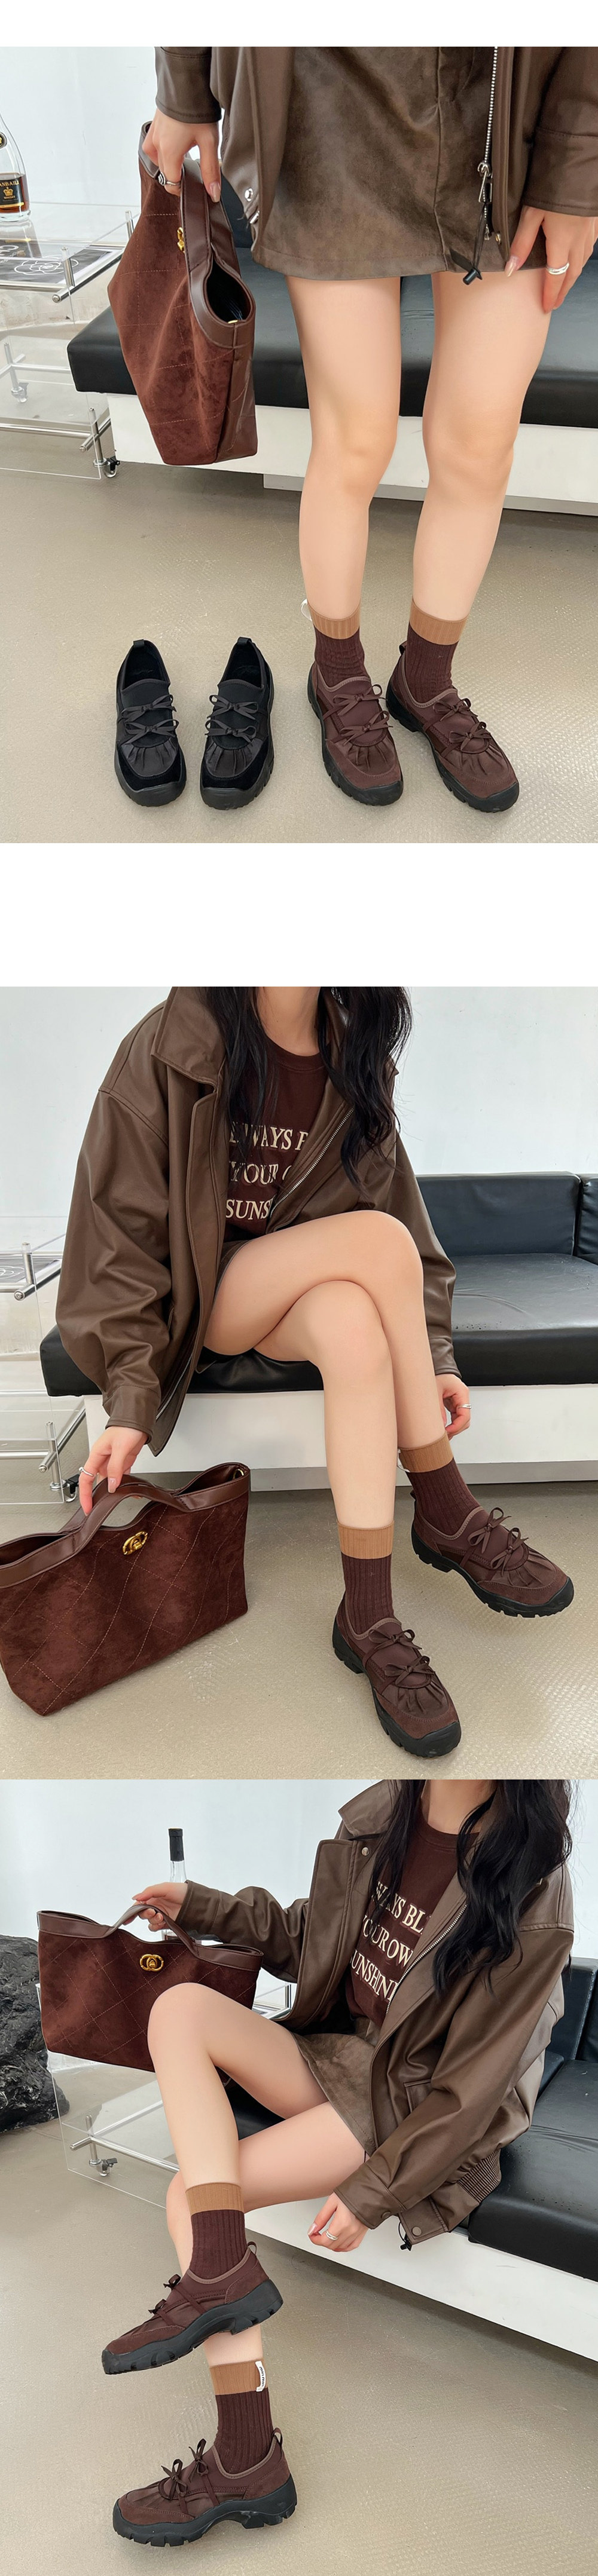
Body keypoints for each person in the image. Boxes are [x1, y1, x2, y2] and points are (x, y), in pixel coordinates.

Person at [58, 987, 573, 1756]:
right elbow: (116, 1232)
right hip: (203, 1300)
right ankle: (445, 1505)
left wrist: (431, 1357)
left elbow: (404, 1216)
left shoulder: (351, 1051)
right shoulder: (173, 1042)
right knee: (377, 1240)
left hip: (295, 1292)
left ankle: (368, 1618)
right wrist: (130, 1398)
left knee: (353, 1324)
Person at [105, 1774, 574, 2545]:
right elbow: (313, 1936)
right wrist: (200, 1904)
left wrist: (373, 2191)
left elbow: (472, 2089)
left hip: (413, 2105)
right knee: (178, 2007)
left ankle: (245, 2459)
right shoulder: (386, 1811)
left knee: (190, 2198)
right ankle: (221, 2274)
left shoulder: (534, 1878)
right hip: (342, 2055)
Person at [145, 46, 598, 811]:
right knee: (354, 440)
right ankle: (337, 675)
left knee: (480, 445)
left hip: (502, 111)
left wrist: (579, 166)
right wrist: (185, 89)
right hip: (329, 105)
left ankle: (426, 682)